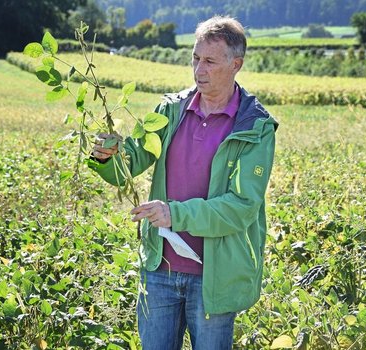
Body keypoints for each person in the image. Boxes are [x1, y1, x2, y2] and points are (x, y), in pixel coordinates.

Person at [89, 15, 278, 350]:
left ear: (236, 64)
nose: (198, 70)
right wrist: (109, 156)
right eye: (194, 58)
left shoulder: (255, 126)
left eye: (209, 61)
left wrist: (175, 214)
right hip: (160, 268)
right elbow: (131, 162)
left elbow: (241, 207)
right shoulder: (170, 109)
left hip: (214, 276)